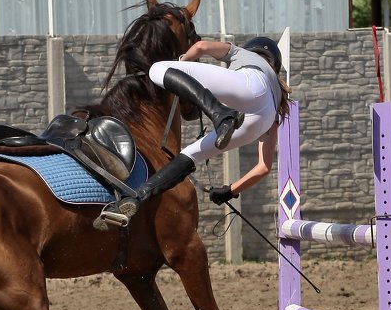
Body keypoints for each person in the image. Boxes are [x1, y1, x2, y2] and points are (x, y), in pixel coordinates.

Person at [97, 36, 290, 226]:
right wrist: (230, 190)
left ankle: (221, 114)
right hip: (261, 120)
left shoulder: (245, 54)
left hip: (249, 86)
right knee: (190, 154)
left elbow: (201, 46)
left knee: (158, 69)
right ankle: (136, 198)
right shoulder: (278, 97)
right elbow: (264, 167)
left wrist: (180, 66)